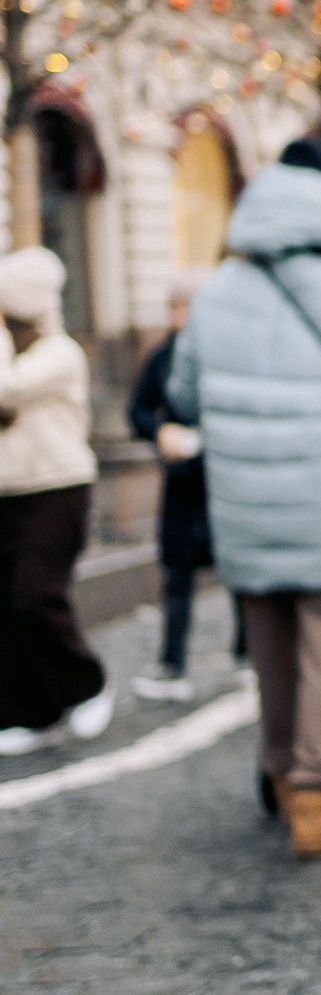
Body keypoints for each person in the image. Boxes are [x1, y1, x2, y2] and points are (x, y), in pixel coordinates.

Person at [168, 163, 321, 856]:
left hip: (246, 505)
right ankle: (316, 790)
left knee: (269, 648)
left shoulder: (214, 294)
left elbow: (185, 393)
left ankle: (278, 769)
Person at [0, 247, 107, 756]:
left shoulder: (61, 354)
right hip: (7, 495)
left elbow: (6, 390)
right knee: (7, 606)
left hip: (58, 489)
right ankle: (31, 712)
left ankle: (87, 684)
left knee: (35, 595)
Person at [126, 272, 212, 704]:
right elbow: (138, 410)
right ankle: (171, 663)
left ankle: (245, 653)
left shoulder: (221, 352)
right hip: (180, 480)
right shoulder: (160, 356)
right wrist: (160, 433)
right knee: (177, 572)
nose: (181, 317)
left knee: (234, 568)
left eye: (188, 308)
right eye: (175, 308)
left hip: (221, 476)